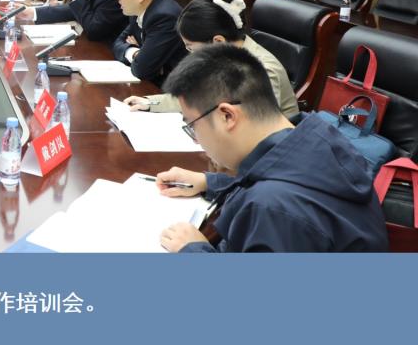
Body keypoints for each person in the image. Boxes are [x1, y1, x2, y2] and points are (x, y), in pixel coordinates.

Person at [154, 44, 388, 252]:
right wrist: (209, 182)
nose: (196, 139)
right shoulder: (313, 133)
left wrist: (193, 250)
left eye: (193, 126)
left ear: (227, 116)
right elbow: (279, 176)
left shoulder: (272, 208)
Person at [124, 0, 299, 118]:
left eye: (191, 47)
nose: (190, 53)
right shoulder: (222, 56)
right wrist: (150, 103)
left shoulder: (262, 71)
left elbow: (257, 130)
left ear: (218, 41)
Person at [111, 0, 187, 84]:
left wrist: (141, 56)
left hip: (173, 88)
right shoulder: (140, 7)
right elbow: (117, 44)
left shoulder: (165, 16)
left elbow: (142, 69)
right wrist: (136, 52)